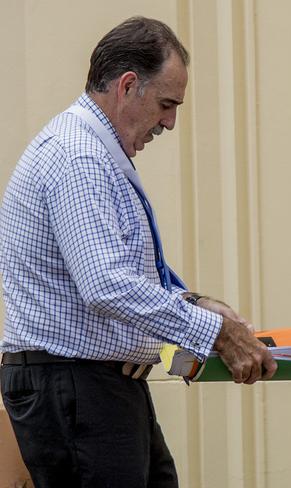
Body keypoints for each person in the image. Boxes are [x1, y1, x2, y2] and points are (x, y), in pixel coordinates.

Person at [0, 16, 277, 488]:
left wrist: (194, 304)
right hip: (79, 389)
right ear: (129, 86)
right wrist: (217, 333)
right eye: (167, 104)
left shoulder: (92, 151)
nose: (169, 122)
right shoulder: (80, 156)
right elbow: (106, 285)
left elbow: (120, 275)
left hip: (92, 387)